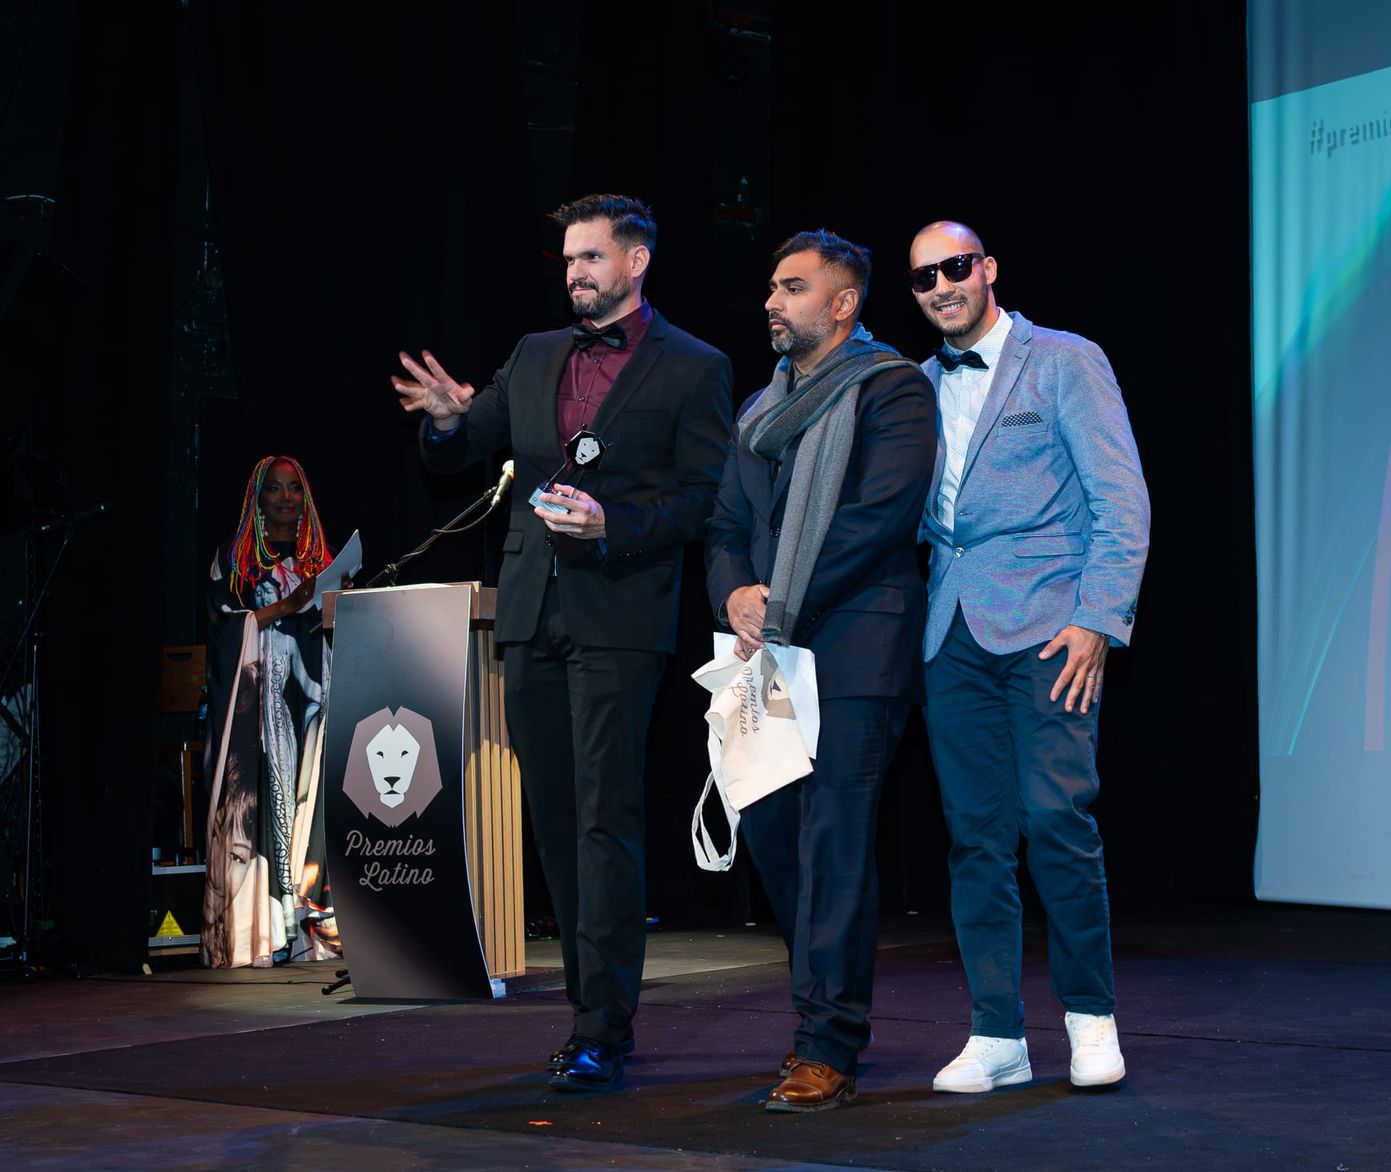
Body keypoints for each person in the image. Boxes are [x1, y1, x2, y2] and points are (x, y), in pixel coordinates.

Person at [393, 194, 733, 1092]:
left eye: (591, 257)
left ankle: (603, 1027)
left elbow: (706, 499)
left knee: (602, 817)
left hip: (619, 615)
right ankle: (590, 1007)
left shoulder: (695, 367)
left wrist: (615, 523)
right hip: (530, 612)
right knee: (553, 815)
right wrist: (446, 419)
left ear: (636, 261)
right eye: (570, 260)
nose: (576, 273)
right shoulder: (536, 354)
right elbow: (461, 449)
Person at [907, 221, 1150, 1093]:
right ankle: (997, 1035)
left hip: (1052, 626)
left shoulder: (1063, 359)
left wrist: (1099, 618)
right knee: (975, 838)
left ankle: (1090, 1018)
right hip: (950, 630)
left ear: (988, 269)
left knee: (1055, 820)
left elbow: (1120, 495)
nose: (942, 285)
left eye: (954, 267)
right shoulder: (915, 384)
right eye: (924, 277)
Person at [705, 229, 936, 1112]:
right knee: (773, 836)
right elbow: (726, 526)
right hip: (765, 653)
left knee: (835, 841)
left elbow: (879, 519)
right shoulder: (759, 408)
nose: (773, 301)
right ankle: (816, 1016)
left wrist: (782, 603)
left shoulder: (893, 388)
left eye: (793, 288)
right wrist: (736, 596)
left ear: (843, 304)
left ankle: (828, 1044)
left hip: (854, 646)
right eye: (772, 286)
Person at [203, 455, 342, 967]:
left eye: (294, 489)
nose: (286, 498)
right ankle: (259, 934)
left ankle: (311, 928)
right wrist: (287, 604)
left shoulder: (321, 561)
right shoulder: (236, 562)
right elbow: (223, 628)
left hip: (310, 707)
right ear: (257, 500)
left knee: (312, 803)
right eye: (275, 489)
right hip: (256, 714)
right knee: (261, 805)